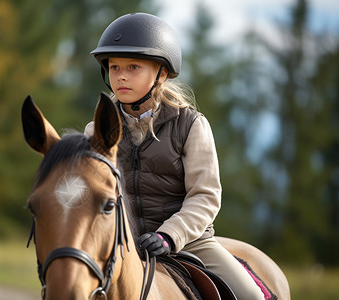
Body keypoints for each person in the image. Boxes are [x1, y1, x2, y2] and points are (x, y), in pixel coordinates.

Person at [85, 12, 264, 300]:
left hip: (188, 242)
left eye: (133, 67)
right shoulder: (96, 130)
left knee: (251, 297)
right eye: (114, 67)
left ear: (162, 73)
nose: (121, 75)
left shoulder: (191, 125)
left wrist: (169, 236)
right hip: (120, 242)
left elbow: (205, 197)